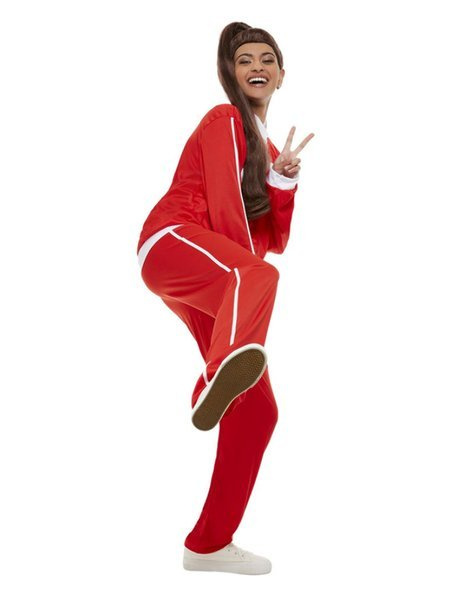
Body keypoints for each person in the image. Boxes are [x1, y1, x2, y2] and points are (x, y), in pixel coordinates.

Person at [136, 22, 314, 575]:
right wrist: (246, 271)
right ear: (230, 74)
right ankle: (213, 379)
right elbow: (223, 207)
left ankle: (208, 542)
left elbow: (271, 240)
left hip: (217, 278)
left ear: (281, 75)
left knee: (259, 411)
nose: (257, 66)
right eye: (244, 60)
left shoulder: (266, 149)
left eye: (267, 59)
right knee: (258, 277)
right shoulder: (223, 119)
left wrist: (281, 182)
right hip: (174, 240)